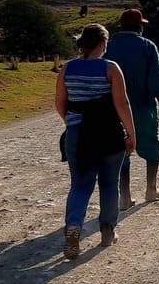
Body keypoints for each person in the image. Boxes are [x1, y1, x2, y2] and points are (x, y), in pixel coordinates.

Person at [54, 23, 138, 260]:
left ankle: (73, 227)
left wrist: (72, 124)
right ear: (102, 43)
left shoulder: (67, 69)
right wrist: (131, 135)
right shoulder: (111, 68)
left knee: (80, 185)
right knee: (110, 183)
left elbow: (60, 103)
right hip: (109, 133)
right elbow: (122, 104)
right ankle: (107, 232)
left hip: (78, 135)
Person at [104, 7, 159, 208]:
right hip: (142, 105)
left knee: (121, 149)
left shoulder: (108, 46)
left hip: (114, 108)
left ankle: (124, 196)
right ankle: (151, 189)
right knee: (151, 145)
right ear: (139, 26)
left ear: (122, 26)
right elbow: (156, 77)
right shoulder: (148, 46)